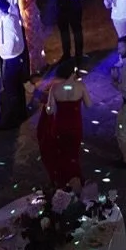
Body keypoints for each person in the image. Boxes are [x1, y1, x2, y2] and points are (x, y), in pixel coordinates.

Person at [44, 57, 92, 187]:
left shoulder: (55, 88)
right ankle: (75, 179)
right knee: (73, 154)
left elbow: (50, 110)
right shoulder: (80, 86)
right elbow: (89, 104)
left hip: (60, 125)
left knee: (61, 153)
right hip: (75, 125)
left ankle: (62, 180)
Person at [0, 0, 27, 129]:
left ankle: (12, 120)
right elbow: (5, 33)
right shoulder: (10, 18)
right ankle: (22, 113)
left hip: (12, 60)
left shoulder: (8, 24)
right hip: (17, 58)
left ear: (0, 11)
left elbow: (7, 49)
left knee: (11, 90)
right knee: (17, 88)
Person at [18, 0, 45, 73]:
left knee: (38, 38)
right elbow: (22, 4)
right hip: (29, 14)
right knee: (32, 41)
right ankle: (34, 68)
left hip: (34, 11)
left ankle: (40, 63)